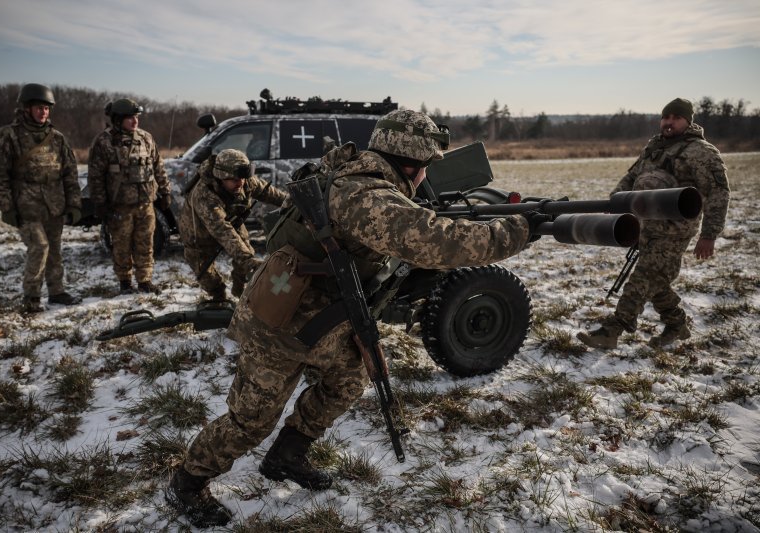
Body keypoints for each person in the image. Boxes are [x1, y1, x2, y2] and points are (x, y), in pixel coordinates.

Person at [165, 109, 546, 527]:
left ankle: (286, 454)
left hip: (322, 317)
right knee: (250, 421)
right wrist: (517, 230)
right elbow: (435, 243)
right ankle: (186, 482)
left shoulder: (361, 174)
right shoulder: (365, 194)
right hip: (279, 324)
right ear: (414, 165)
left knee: (347, 381)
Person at [577, 98, 730, 350]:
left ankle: (612, 330)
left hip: (675, 231)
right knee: (656, 279)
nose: (668, 122)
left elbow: (718, 193)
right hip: (646, 226)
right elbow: (632, 177)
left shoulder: (702, 152)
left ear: (688, 121)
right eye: (665, 117)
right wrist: (614, 204)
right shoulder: (655, 147)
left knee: (642, 278)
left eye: (675, 117)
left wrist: (710, 234)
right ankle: (677, 325)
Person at [0, 83, 83, 313]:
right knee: (39, 247)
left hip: (54, 205)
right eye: (39, 108)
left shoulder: (57, 138)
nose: (43, 112)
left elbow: (70, 173)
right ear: (26, 108)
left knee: (55, 249)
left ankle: (57, 291)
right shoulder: (8, 136)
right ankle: (31, 297)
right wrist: (7, 207)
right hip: (25, 207)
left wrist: (74, 204)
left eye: (47, 108)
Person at [177, 148, 287, 301]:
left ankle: (240, 292)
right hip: (199, 234)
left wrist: (292, 202)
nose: (240, 183)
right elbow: (223, 231)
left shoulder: (243, 179)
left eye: (243, 178)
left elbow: (271, 194)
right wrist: (248, 261)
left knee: (245, 254)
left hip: (231, 221)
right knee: (206, 275)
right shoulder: (204, 195)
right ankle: (219, 298)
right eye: (235, 180)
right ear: (221, 177)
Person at [87, 98, 171, 295]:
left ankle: (145, 280)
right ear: (117, 119)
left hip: (145, 204)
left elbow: (158, 166)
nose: (135, 122)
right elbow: (95, 175)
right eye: (130, 118)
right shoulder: (104, 141)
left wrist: (165, 191)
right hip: (119, 206)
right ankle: (125, 282)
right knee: (122, 245)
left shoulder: (146, 138)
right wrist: (99, 202)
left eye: (136, 117)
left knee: (146, 243)